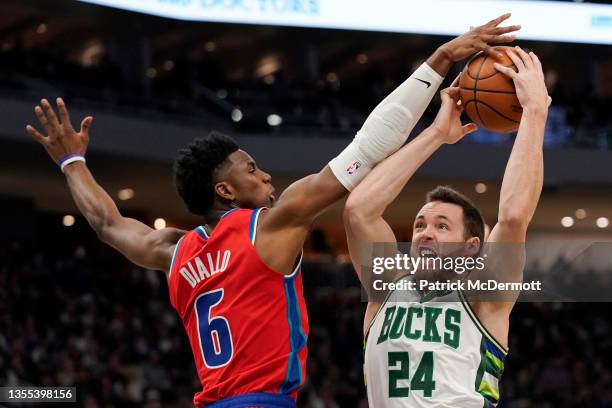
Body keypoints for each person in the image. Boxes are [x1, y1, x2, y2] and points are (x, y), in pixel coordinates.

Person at [26, 14, 519, 408]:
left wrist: (72, 163)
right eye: (252, 169)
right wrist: (440, 59)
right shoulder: (270, 224)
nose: (266, 177)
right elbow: (367, 148)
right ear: (225, 190)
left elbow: (106, 223)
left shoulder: (173, 251)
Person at [343, 46, 549, 407]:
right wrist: (437, 132)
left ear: (471, 246)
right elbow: (359, 210)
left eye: (442, 226)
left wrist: (534, 112)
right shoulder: (385, 288)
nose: (425, 232)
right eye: (421, 224)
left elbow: (514, 216)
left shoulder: (484, 299)